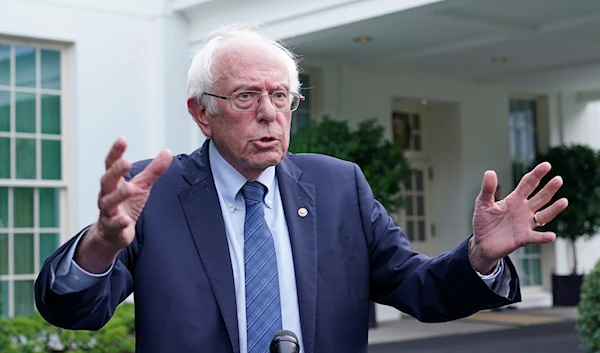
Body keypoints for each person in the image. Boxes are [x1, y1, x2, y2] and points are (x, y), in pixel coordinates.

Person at [34, 27, 568, 353]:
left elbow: (421, 290)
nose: (269, 113)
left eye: (281, 96)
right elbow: (74, 312)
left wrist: (479, 257)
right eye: (246, 96)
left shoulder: (339, 186)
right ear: (202, 112)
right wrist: (101, 245)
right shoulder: (156, 189)